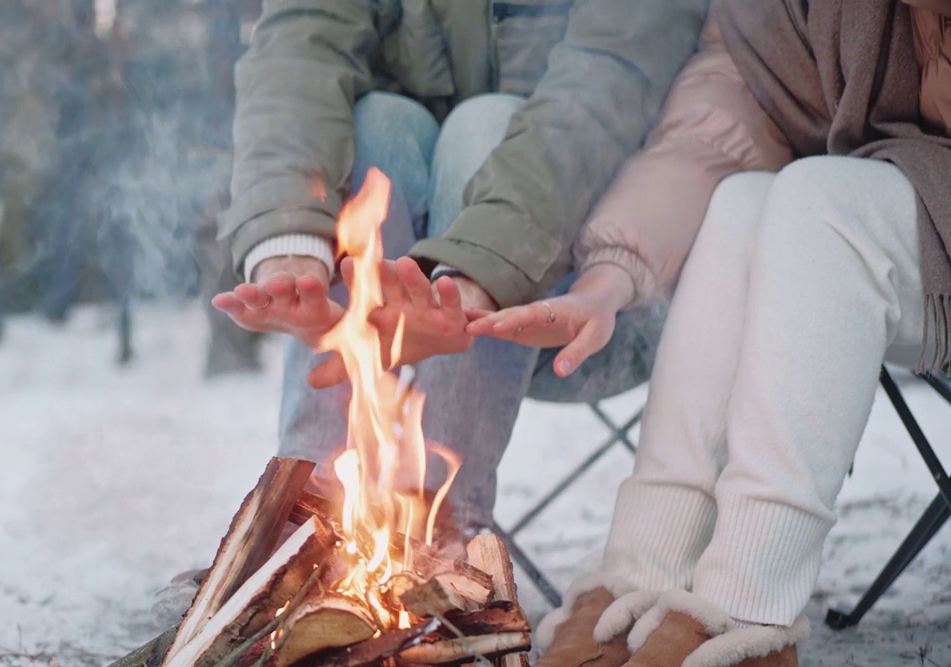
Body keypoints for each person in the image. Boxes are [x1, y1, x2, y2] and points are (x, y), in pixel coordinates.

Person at [458, 0, 951, 667]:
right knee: (742, 200)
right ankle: (637, 589)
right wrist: (610, 278)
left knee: (825, 201)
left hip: (886, 204)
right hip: (901, 194)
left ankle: (745, 625)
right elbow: (717, 129)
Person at [210, 0, 712, 530]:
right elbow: (299, 47)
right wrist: (289, 249)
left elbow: (599, 98)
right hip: (390, 290)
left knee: (485, 127)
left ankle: (437, 521)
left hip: (588, 292)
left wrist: (478, 278)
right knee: (379, 122)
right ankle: (308, 509)